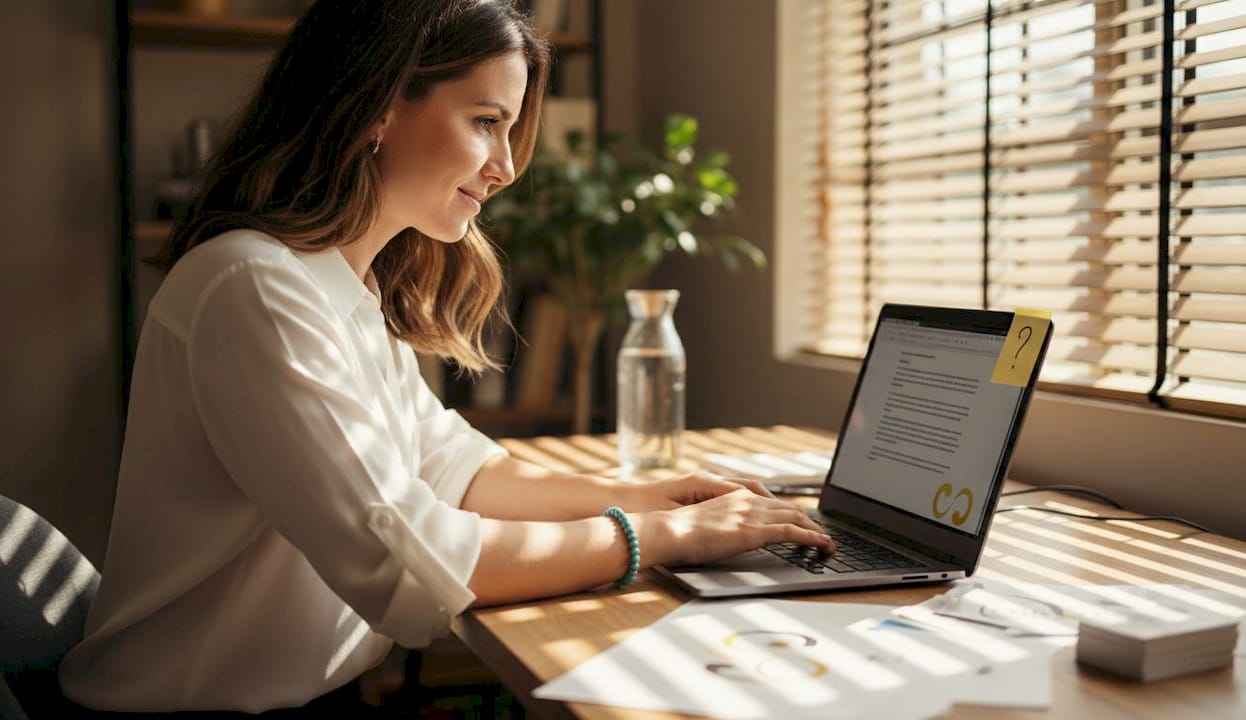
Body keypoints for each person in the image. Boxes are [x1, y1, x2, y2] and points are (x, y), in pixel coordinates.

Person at [60, 0, 834, 715]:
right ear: (379, 106)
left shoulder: (345, 293)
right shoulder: (253, 287)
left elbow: (456, 470)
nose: (505, 166)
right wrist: (663, 540)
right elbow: (413, 557)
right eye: (486, 121)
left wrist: (646, 497)